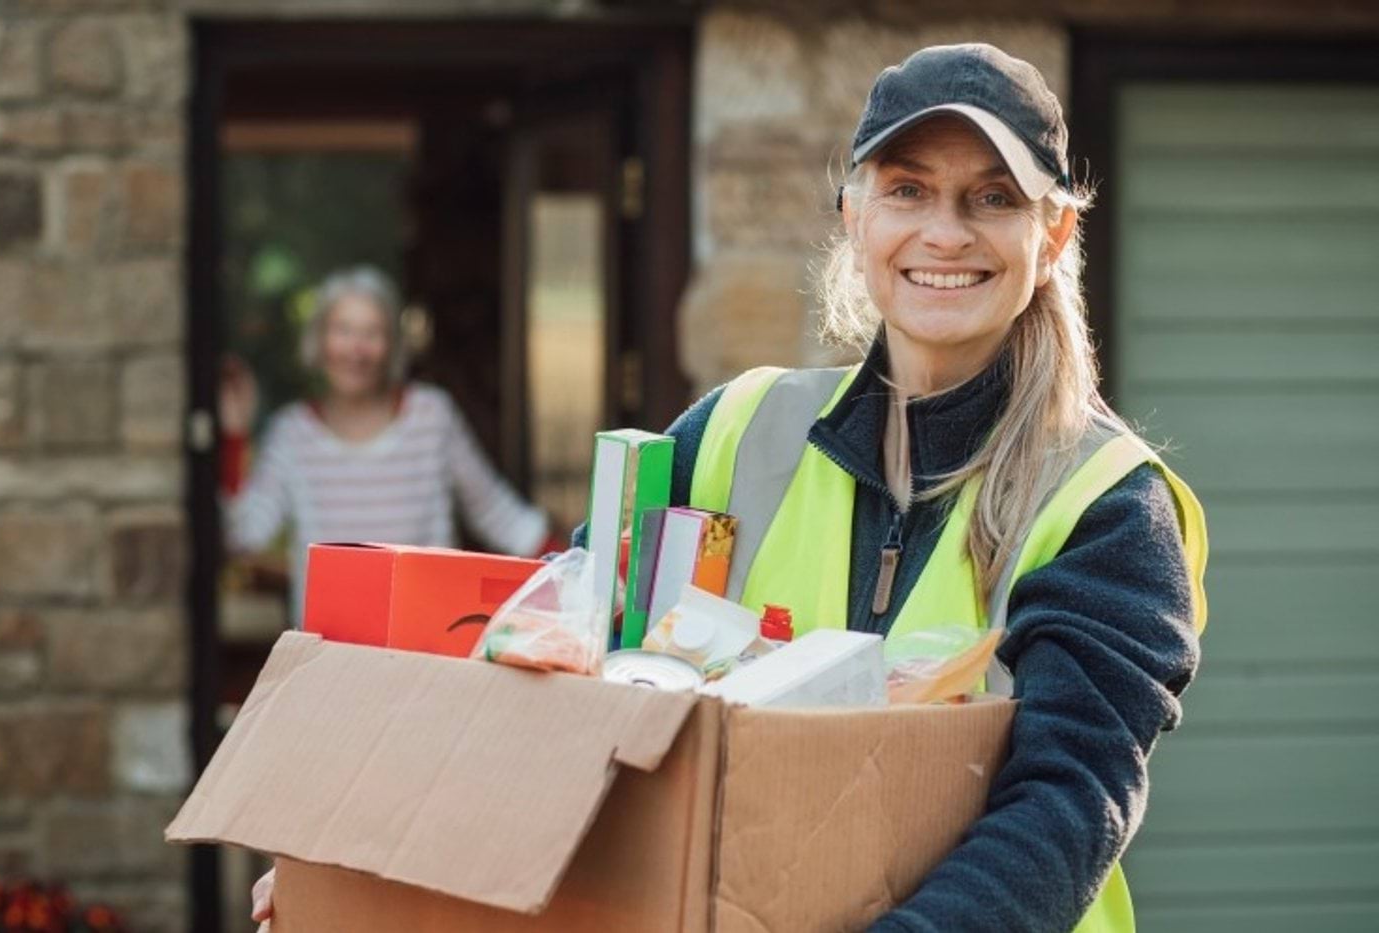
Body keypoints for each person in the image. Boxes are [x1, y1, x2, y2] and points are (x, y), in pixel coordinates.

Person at [252, 44, 1207, 933]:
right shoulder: (735, 431)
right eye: (908, 189)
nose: (943, 232)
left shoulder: (1108, 503)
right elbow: (540, 668)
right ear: (855, 215)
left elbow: (1067, 803)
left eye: (992, 198)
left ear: (1052, 235)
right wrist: (363, 853)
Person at [220, 265, 552, 623]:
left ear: (391, 344)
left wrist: (573, 563)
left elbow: (497, 513)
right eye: (343, 330)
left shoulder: (431, 416)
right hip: (329, 651)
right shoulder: (292, 433)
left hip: (425, 640)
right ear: (319, 340)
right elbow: (245, 536)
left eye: (372, 333)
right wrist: (234, 438)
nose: (356, 349)